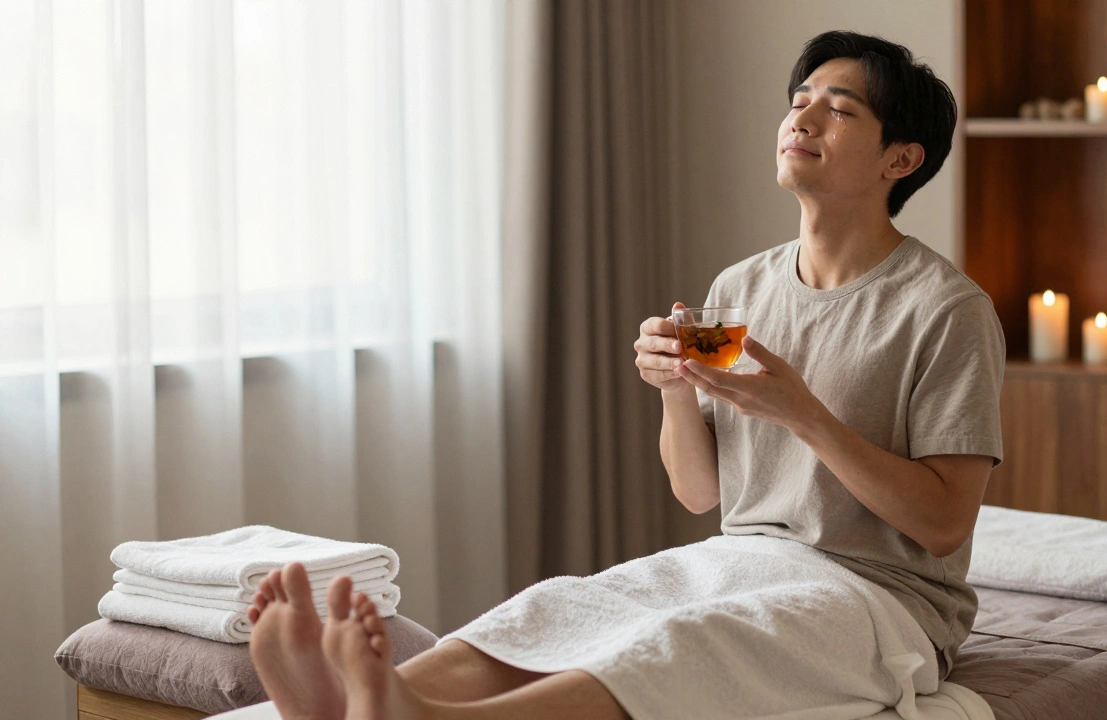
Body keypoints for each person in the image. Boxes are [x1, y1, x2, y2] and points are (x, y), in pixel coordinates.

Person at [245, 29, 1003, 720]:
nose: (800, 120)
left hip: (882, 599)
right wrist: (675, 390)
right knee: (576, 607)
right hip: (745, 558)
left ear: (901, 159)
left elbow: (942, 526)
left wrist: (801, 411)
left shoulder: (946, 310)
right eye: (799, 102)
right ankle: (368, 696)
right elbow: (701, 492)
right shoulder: (741, 288)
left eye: (837, 111)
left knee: (694, 641)